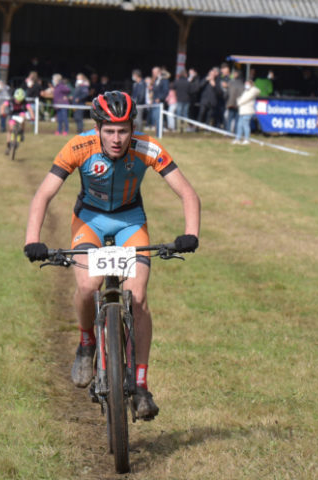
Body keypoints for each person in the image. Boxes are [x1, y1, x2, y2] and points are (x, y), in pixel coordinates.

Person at [23, 91, 201, 421]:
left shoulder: (148, 147)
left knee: (138, 297)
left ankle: (141, 384)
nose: (116, 139)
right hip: (89, 220)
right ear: (98, 129)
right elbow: (43, 194)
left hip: (130, 221)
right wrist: (32, 240)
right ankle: (86, 342)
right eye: (109, 131)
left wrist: (191, 234)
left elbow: (188, 193)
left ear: (133, 128)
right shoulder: (79, 146)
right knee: (88, 285)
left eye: (123, 130)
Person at [2, 88, 33, 154]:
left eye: (20, 100)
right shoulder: (10, 101)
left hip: (20, 114)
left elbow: (30, 109)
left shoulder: (25, 102)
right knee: (10, 129)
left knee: (23, 116)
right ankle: (8, 145)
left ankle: (22, 132)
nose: (18, 101)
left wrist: (32, 116)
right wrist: (2, 112)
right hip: (12, 115)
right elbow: (3, 106)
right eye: (17, 99)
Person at [234, 78, 259, 145]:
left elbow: (245, 99)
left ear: (251, 84)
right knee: (239, 125)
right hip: (242, 111)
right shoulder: (246, 91)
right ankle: (238, 139)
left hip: (248, 111)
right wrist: (239, 101)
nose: (245, 85)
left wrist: (238, 102)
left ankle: (246, 139)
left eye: (247, 84)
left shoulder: (253, 91)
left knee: (245, 125)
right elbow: (241, 98)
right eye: (245, 84)